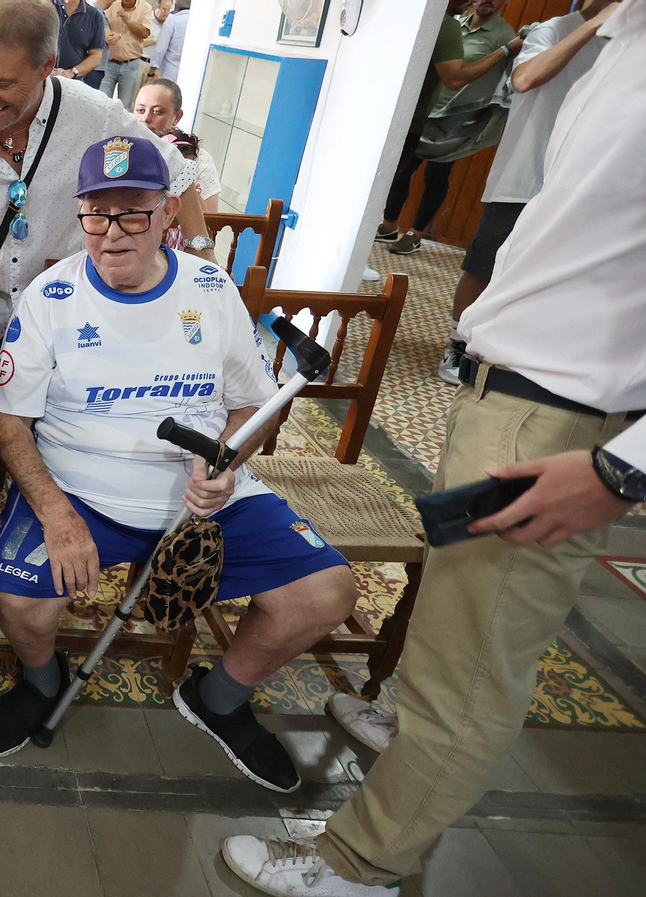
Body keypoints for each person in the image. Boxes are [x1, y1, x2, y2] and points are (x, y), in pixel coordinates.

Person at [221, 3, 643, 893]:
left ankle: (359, 861)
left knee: (477, 664)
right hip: (508, 390)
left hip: (562, 416)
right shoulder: (617, 38)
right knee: (452, 616)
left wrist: (623, 466)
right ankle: (413, 729)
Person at [0, 135, 357, 790]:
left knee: (327, 593)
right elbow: (9, 421)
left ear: (167, 215)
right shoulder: (50, 297)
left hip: (204, 491)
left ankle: (219, 699)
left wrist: (230, 462)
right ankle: (42, 680)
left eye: (134, 213)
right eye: (97, 213)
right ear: (80, 213)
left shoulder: (210, 290)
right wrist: (57, 513)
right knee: (16, 594)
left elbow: (251, 407)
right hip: (81, 490)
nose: (112, 233)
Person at [0, 0, 216, 339]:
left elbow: (179, 174)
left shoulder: (95, 115)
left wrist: (203, 256)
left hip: (70, 322)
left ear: (46, 65)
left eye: (3, 82)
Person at [432, 0, 616, 386]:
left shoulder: (626, 46)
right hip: (525, 177)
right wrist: (592, 24)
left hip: (579, 185)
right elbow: (525, 79)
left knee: (545, 275)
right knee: (483, 265)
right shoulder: (551, 30)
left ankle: (514, 353)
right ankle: (457, 343)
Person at [377, 0, 520, 256]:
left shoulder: (505, 37)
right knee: (400, 172)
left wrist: (504, 51)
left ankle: (416, 234)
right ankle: (389, 226)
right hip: (424, 111)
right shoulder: (454, 23)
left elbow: (497, 84)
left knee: (436, 176)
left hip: (456, 119)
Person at [133, 79, 220, 211]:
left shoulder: (198, 158)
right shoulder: (122, 150)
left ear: (177, 117)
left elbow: (210, 221)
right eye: (140, 110)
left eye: (157, 112)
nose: (146, 118)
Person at [97, 0, 153, 108]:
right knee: (101, 101)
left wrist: (127, 20)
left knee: (125, 106)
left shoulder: (145, 8)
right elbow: (101, 24)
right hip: (108, 63)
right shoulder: (112, 4)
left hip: (131, 65)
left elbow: (145, 33)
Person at [54, 0, 108, 88]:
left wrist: (72, 72)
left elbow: (96, 55)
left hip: (72, 83)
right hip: (40, 79)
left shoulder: (94, 16)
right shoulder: (44, 6)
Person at [149, 0, 189, 82]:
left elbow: (160, 49)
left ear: (175, 8)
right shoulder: (199, 22)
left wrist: (151, 71)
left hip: (169, 71)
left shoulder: (172, 21)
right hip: (190, 73)